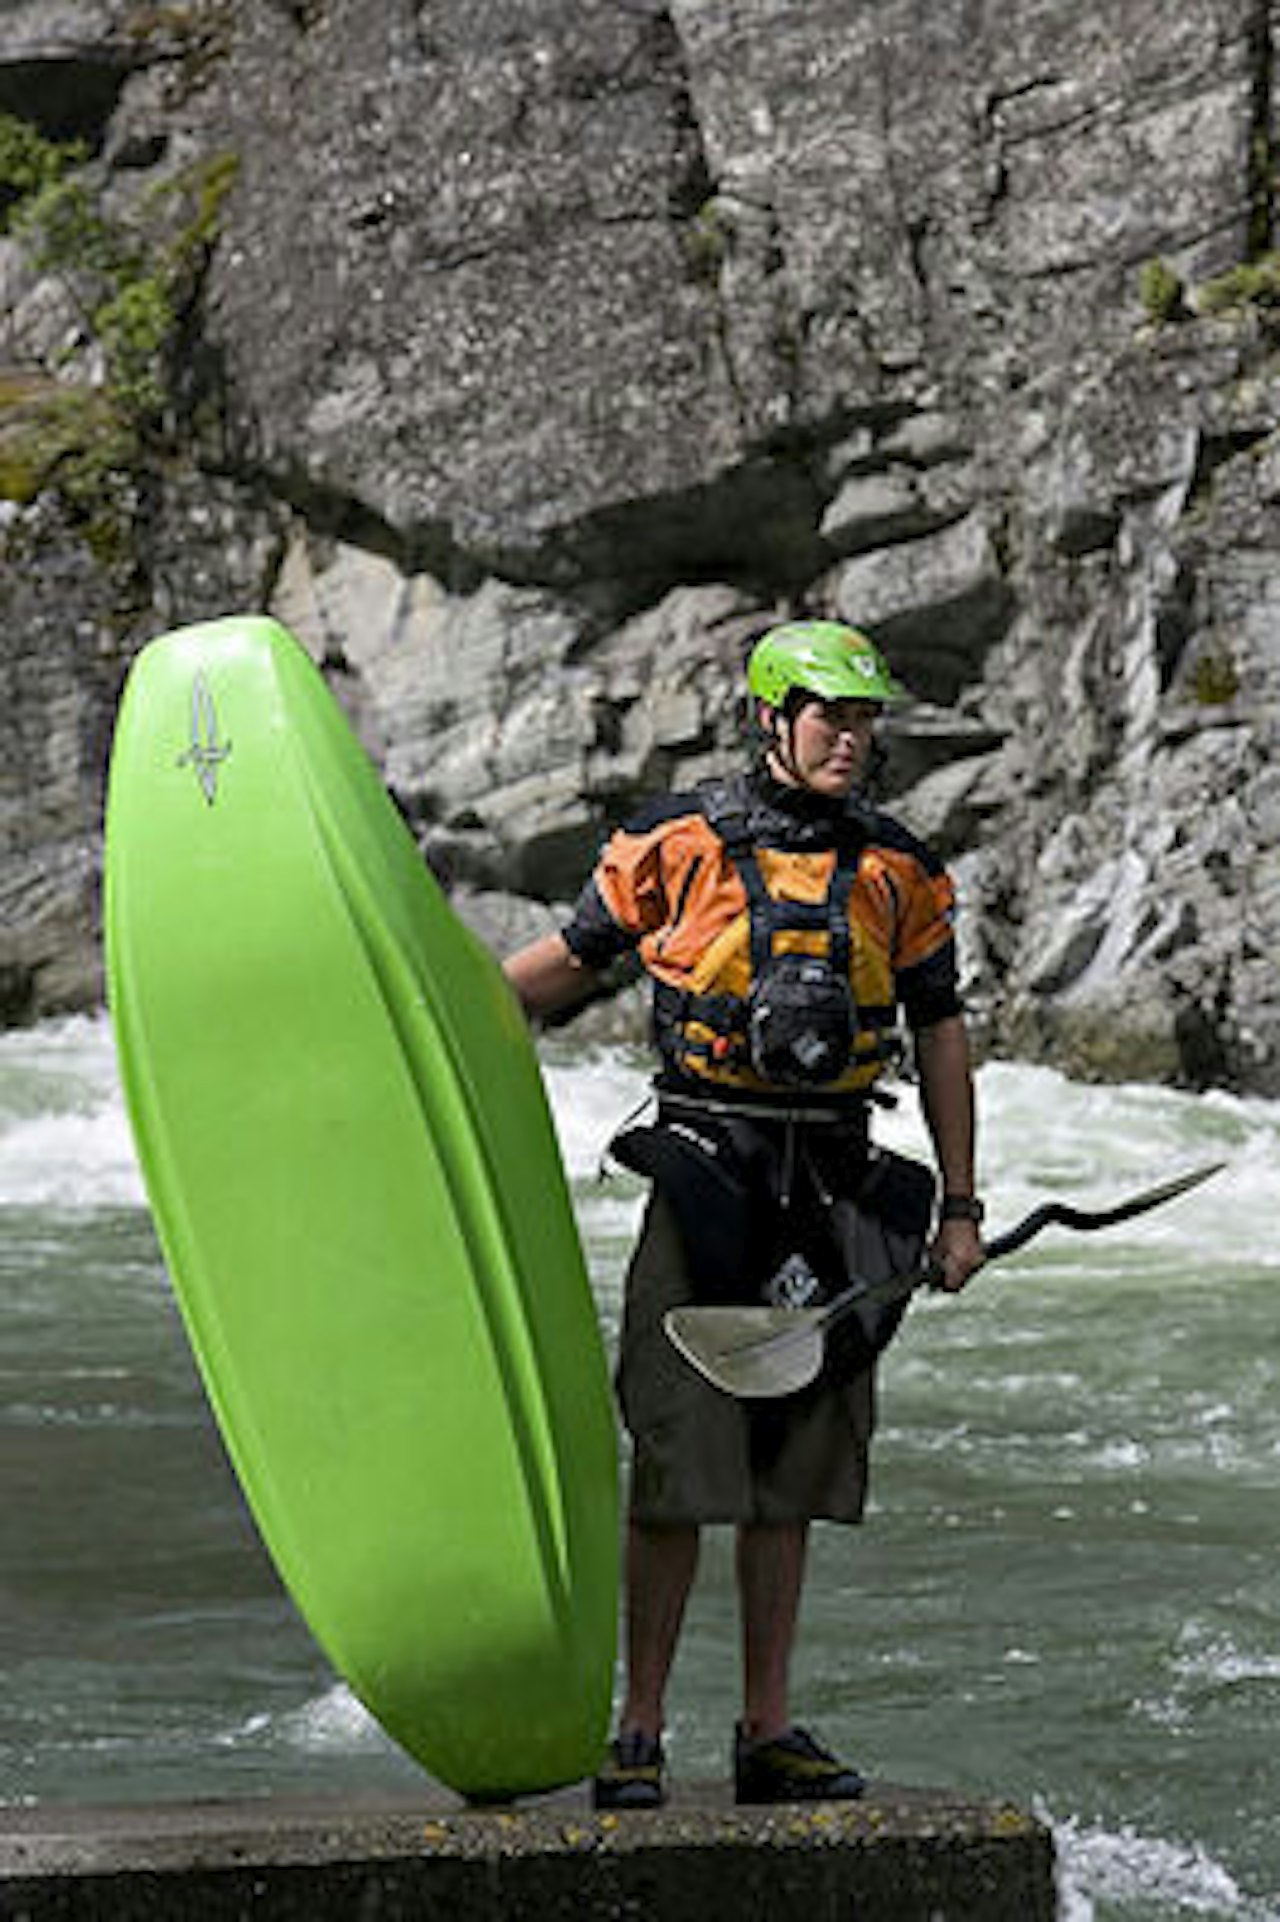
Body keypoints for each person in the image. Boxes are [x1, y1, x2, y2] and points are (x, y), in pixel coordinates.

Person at [503, 618, 984, 1809]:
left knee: (791, 1475)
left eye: (866, 718)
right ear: (771, 717)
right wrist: (432, 1013)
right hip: (703, 1178)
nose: (851, 737)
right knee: (677, 1462)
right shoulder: (674, 844)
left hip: (834, 1191)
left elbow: (937, 1033)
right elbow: (565, 963)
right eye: (830, 714)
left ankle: (764, 1728)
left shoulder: (898, 870)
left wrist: (961, 1204)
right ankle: (638, 1729)